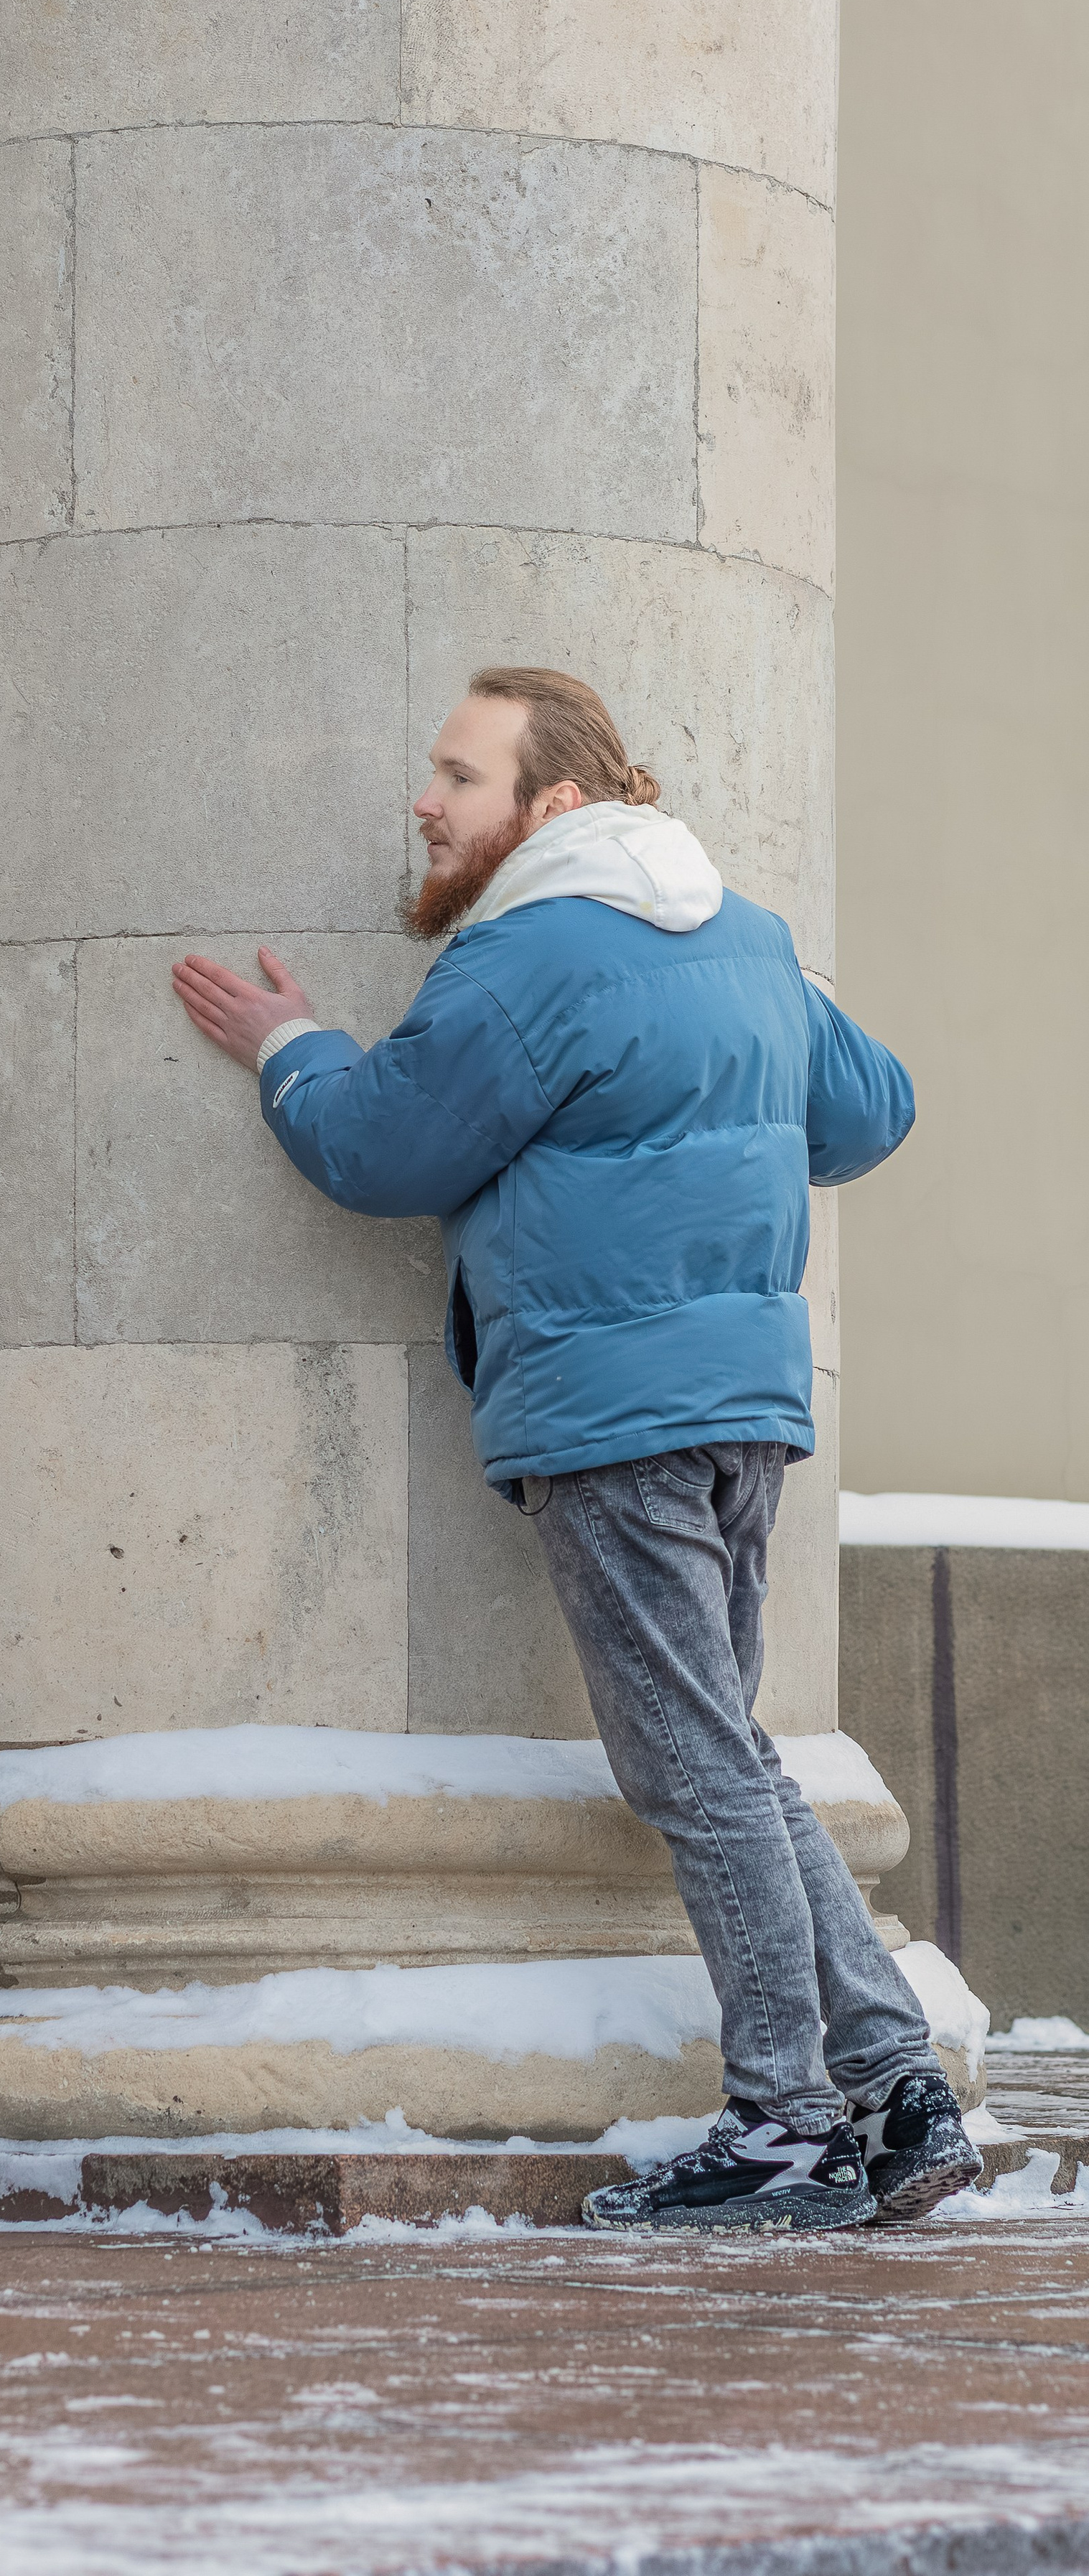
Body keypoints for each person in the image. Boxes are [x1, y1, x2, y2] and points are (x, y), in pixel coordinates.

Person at [171, 664, 981, 2232]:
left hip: (617, 1412)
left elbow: (380, 1145)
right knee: (725, 1753)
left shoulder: (526, 955)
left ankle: (780, 2123)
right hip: (743, 1399)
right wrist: (730, 1055)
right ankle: (893, 2088)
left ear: (549, 805)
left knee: (688, 1762)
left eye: (455, 778)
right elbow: (867, 1110)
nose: (423, 800)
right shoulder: (740, 937)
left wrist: (292, 1044)